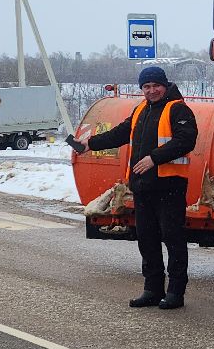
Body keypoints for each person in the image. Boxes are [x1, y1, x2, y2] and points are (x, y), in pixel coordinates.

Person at [71, 66, 199, 309]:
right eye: (146, 87)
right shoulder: (140, 109)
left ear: (164, 85)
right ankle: (152, 289)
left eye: (156, 86)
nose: (151, 91)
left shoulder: (178, 109)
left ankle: (175, 292)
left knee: (173, 239)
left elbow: (186, 140)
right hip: (142, 187)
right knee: (146, 239)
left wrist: (154, 157)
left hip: (169, 186)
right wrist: (90, 143)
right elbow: (121, 133)